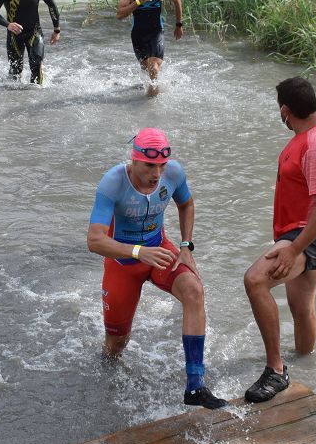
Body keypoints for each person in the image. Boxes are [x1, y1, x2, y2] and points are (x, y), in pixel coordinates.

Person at [87, 128, 228, 410]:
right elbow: (95, 240)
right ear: (134, 160)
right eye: (150, 165)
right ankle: (104, 389)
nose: (156, 173)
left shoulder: (173, 174)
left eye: (161, 166)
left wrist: (186, 245)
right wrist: (139, 252)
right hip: (123, 264)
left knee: (193, 289)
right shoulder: (113, 182)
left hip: (160, 252)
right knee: (115, 345)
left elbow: (186, 204)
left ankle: (195, 385)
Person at [242, 77, 316, 403]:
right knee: (302, 307)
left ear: (286, 110)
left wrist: (295, 249)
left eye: (279, 111)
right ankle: (308, 370)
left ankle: (276, 370)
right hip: (302, 232)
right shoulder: (311, 137)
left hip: (306, 235)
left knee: (255, 281)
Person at [115, 0, 184, 84]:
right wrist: (138, 1)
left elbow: (177, 0)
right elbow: (119, 15)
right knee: (147, 70)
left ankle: (153, 101)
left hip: (156, 32)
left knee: (154, 69)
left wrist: (179, 25)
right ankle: (147, 99)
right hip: (138, 35)